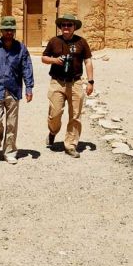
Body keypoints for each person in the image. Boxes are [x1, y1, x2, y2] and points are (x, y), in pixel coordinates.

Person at [0, 16, 34, 164]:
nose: (9, 33)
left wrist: (29, 88)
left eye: (11, 30)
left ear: (14, 31)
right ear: (1, 30)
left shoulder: (21, 48)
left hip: (13, 90)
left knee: (12, 123)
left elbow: (27, 68)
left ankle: (10, 151)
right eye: (6, 30)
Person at [41, 13, 94, 158]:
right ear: (60, 27)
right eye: (63, 25)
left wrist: (90, 81)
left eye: (69, 25)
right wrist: (54, 60)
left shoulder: (81, 42)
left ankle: (70, 144)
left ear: (74, 27)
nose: (66, 27)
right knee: (55, 114)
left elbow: (88, 61)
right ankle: (53, 132)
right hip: (57, 82)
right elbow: (43, 58)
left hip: (75, 82)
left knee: (75, 115)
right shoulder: (54, 41)